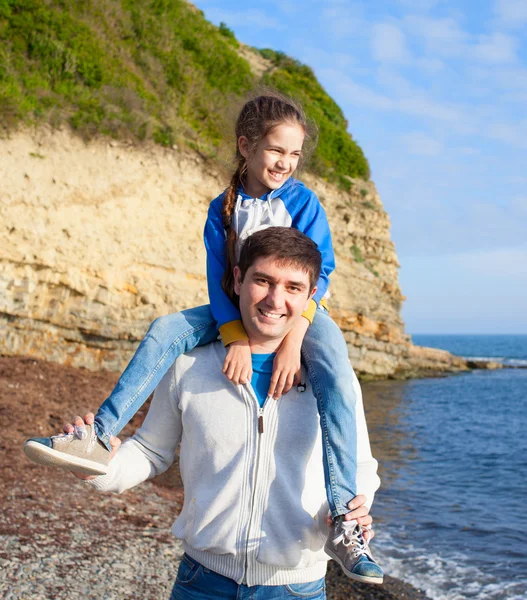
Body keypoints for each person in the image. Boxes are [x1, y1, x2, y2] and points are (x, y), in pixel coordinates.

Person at [24, 92, 383, 583]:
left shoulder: (303, 200)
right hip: (205, 576)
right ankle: (99, 435)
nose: (286, 163)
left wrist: (298, 333)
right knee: (167, 328)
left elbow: (320, 274)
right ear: (246, 146)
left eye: (295, 155)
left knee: (338, 372)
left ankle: (344, 520)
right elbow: (218, 278)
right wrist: (234, 335)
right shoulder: (223, 208)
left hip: (311, 317)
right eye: (277, 150)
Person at [69, 228, 382, 598]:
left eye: (293, 288)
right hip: (201, 583)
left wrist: (357, 505)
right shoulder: (189, 364)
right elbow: (152, 451)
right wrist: (98, 468)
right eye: (262, 281)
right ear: (237, 279)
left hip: (296, 589)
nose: (275, 300)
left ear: (311, 296)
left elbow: (360, 465)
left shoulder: (332, 381)